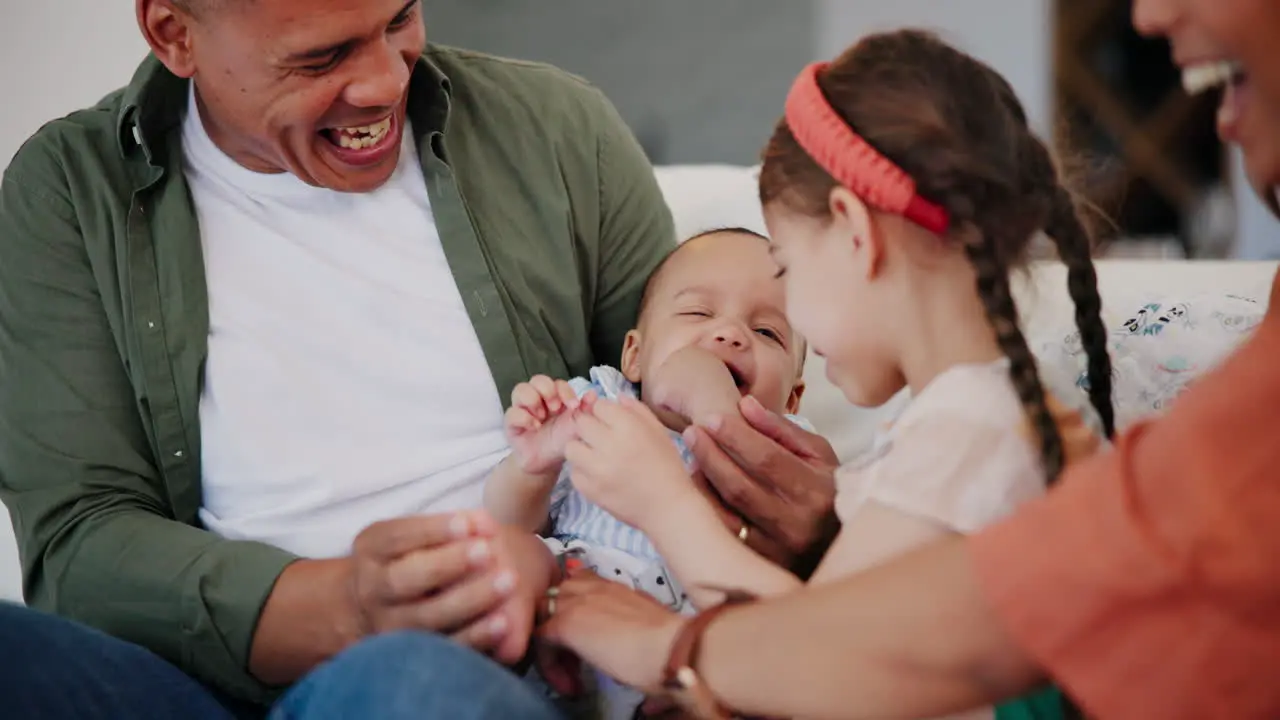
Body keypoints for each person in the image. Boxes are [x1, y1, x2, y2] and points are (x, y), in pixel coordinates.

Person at [0, 0, 840, 717]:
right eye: (322, 55)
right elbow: (81, 546)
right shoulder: (72, 194)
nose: (385, 82)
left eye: (400, 17)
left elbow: (671, 387)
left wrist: (800, 522)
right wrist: (348, 607)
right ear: (174, 31)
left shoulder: (559, 132)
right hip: (191, 684)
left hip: (490, 672)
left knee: (411, 685)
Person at [537, 2, 1280, 718]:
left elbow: (823, 665)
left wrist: (664, 506)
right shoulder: (976, 415)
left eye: (788, 270)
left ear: (854, 232)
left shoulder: (970, 429)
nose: (789, 316)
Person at [486, 227, 811, 718]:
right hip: (566, 630)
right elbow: (508, 521)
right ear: (634, 356)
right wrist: (533, 467)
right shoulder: (596, 405)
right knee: (506, 557)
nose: (729, 334)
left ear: (791, 399)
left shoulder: (790, 452)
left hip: (696, 661)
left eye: (767, 332)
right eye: (699, 312)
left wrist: (716, 407)